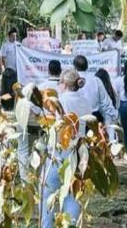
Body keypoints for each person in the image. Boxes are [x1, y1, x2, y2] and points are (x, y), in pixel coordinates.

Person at [41, 69, 92, 228]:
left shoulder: (60, 100)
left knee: (47, 192)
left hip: (59, 151)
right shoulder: (85, 101)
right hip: (78, 151)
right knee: (73, 194)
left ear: (64, 83)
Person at [73, 55, 118, 125]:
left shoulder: (71, 81)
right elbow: (105, 102)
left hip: (76, 117)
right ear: (87, 66)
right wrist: (112, 116)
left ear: (74, 67)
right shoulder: (96, 80)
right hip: (93, 117)